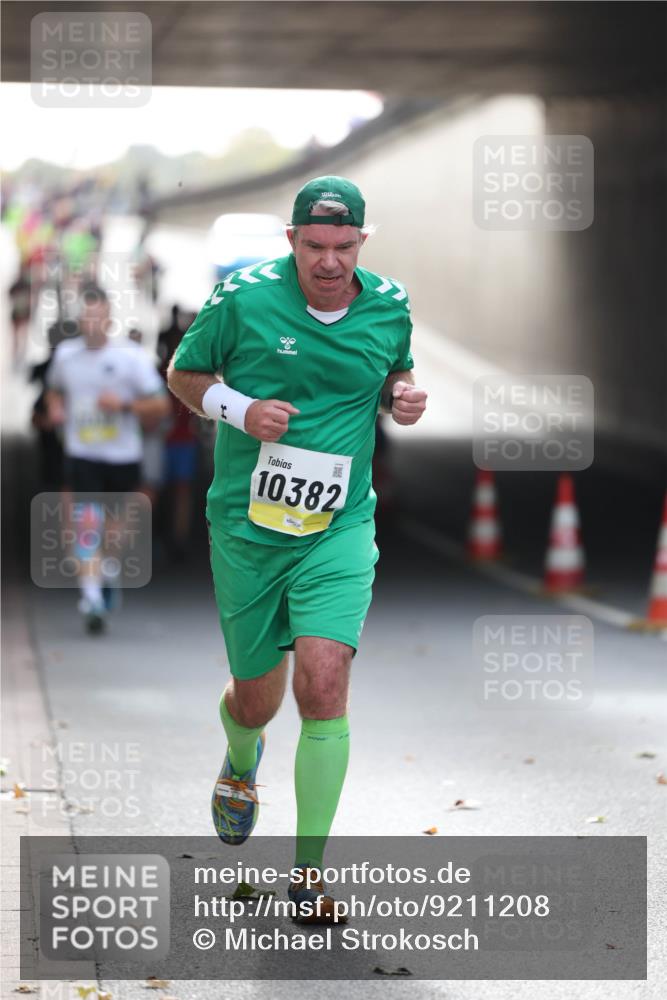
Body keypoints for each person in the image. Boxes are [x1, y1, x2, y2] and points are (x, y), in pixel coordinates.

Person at [168, 176, 427, 922]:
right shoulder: (243, 299)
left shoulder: (388, 303)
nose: (328, 262)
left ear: (361, 245)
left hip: (338, 526)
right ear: (290, 242)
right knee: (258, 698)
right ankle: (241, 759)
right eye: (313, 246)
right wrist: (240, 410)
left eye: (343, 247)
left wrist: (404, 395)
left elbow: (396, 370)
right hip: (248, 528)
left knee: (322, 684)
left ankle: (307, 876)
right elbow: (185, 375)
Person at [46, 286, 170, 633]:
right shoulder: (66, 356)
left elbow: (160, 405)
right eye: (86, 318)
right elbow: (54, 389)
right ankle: (92, 600)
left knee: (113, 536)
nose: (92, 324)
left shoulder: (130, 357)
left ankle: (106, 571)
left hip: (121, 458)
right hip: (82, 455)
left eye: (98, 317)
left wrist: (125, 406)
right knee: (86, 526)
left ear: (110, 319)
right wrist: (56, 407)